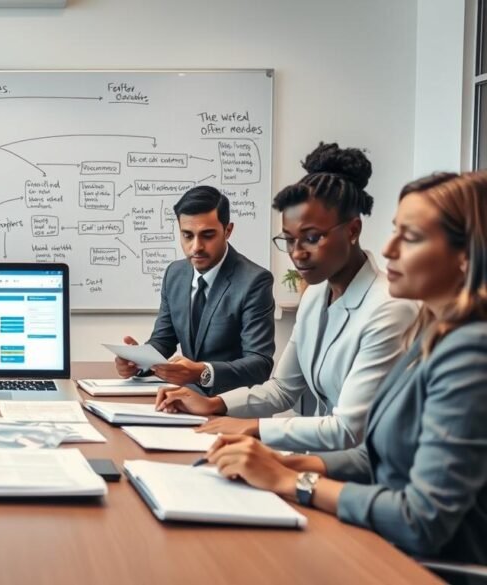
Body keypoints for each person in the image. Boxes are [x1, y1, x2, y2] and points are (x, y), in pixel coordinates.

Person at [205, 171, 487, 565]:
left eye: (410, 237)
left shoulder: (470, 352)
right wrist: (282, 462)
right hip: (381, 539)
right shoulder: (433, 332)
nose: (388, 249)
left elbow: (421, 519)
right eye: (394, 232)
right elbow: (374, 455)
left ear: (466, 255)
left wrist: (293, 481)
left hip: (425, 566)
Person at [156, 144, 418, 451]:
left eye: (312, 238)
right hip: (318, 458)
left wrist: (252, 428)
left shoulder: (389, 308)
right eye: (289, 240)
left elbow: (348, 431)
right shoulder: (316, 296)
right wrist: (214, 404)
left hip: (362, 472)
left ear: (352, 230)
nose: (297, 254)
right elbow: (282, 389)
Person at [114, 185, 275, 394]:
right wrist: (138, 362)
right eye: (187, 235)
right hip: (185, 400)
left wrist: (201, 372)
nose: (196, 247)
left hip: (235, 407)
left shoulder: (254, 281)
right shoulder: (175, 274)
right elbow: (163, 341)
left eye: (207, 235)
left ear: (228, 230)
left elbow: (260, 365)